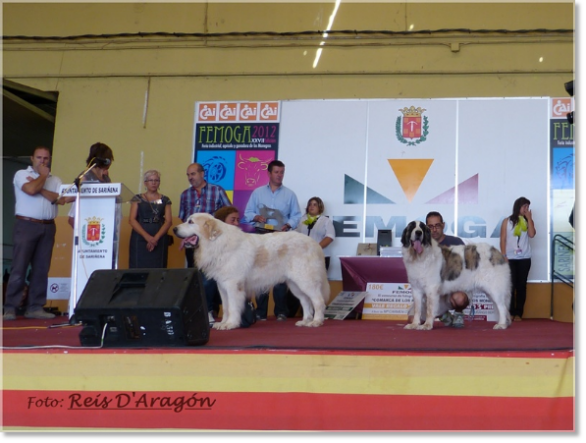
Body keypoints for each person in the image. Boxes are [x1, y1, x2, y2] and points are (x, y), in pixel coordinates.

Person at [3, 146, 68, 320]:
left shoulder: (56, 180)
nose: (42, 161)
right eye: (39, 157)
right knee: (19, 267)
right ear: (32, 158)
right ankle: (10, 308)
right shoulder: (21, 174)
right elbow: (30, 190)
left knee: (41, 269)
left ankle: (35, 307)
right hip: (26, 224)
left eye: (46, 158)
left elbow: (62, 199)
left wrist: (40, 185)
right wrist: (43, 177)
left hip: (48, 226)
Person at [244, 160, 302, 321]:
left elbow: (296, 215)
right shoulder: (257, 193)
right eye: (276, 172)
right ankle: (261, 312)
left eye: (282, 172)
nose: (279, 175)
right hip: (261, 237)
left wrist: (289, 224)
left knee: (280, 275)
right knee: (260, 275)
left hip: (281, 238)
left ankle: (281, 312)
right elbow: (247, 212)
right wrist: (255, 216)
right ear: (269, 173)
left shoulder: (290, 194)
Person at [204, 205, 256, 327]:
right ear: (221, 222)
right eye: (233, 220)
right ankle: (211, 312)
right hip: (218, 282)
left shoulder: (241, 240)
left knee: (245, 322)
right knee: (207, 282)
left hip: (236, 286)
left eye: (238, 220)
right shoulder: (210, 239)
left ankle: (233, 317)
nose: (236, 223)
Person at [178, 162, 231, 268]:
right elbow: (182, 218)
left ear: (202, 174)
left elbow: (229, 213)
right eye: (188, 175)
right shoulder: (185, 194)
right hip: (193, 243)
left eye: (193, 174)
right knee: (193, 271)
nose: (190, 177)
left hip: (212, 242)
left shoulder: (217, 190)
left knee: (212, 274)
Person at [425, 211, 469, 328]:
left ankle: (458, 313)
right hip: (434, 290)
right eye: (430, 226)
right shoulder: (423, 246)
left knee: (459, 299)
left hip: (454, 288)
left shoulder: (456, 242)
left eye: (437, 225)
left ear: (443, 225)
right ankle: (443, 314)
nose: (434, 229)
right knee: (411, 319)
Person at [500, 197, 536, 321]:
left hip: (524, 258)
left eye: (528, 207)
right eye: (524, 206)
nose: (526, 209)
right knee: (511, 286)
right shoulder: (507, 221)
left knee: (521, 286)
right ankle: (511, 312)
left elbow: (531, 234)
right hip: (510, 258)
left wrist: (530, 218)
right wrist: (504, 255)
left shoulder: (528, 221)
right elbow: (503, 239)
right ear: (518, 207)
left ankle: (519, 313)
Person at [128, 170, 173, 268]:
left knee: (158, 267)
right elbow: (132, 220)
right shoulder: (137, 198)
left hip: (159, 236)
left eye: (156, 180)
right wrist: (148, 237)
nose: (153, 183)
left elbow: (168, 221)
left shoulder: (166, 200)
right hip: (140, 236)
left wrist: (155, 238)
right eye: (150, 180)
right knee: (137, 267)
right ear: (145, 183)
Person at [67, 142, 114, 228]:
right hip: (87, 225)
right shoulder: (85, 177)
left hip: (103, 223)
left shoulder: (106, 178)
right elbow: (72, 214)